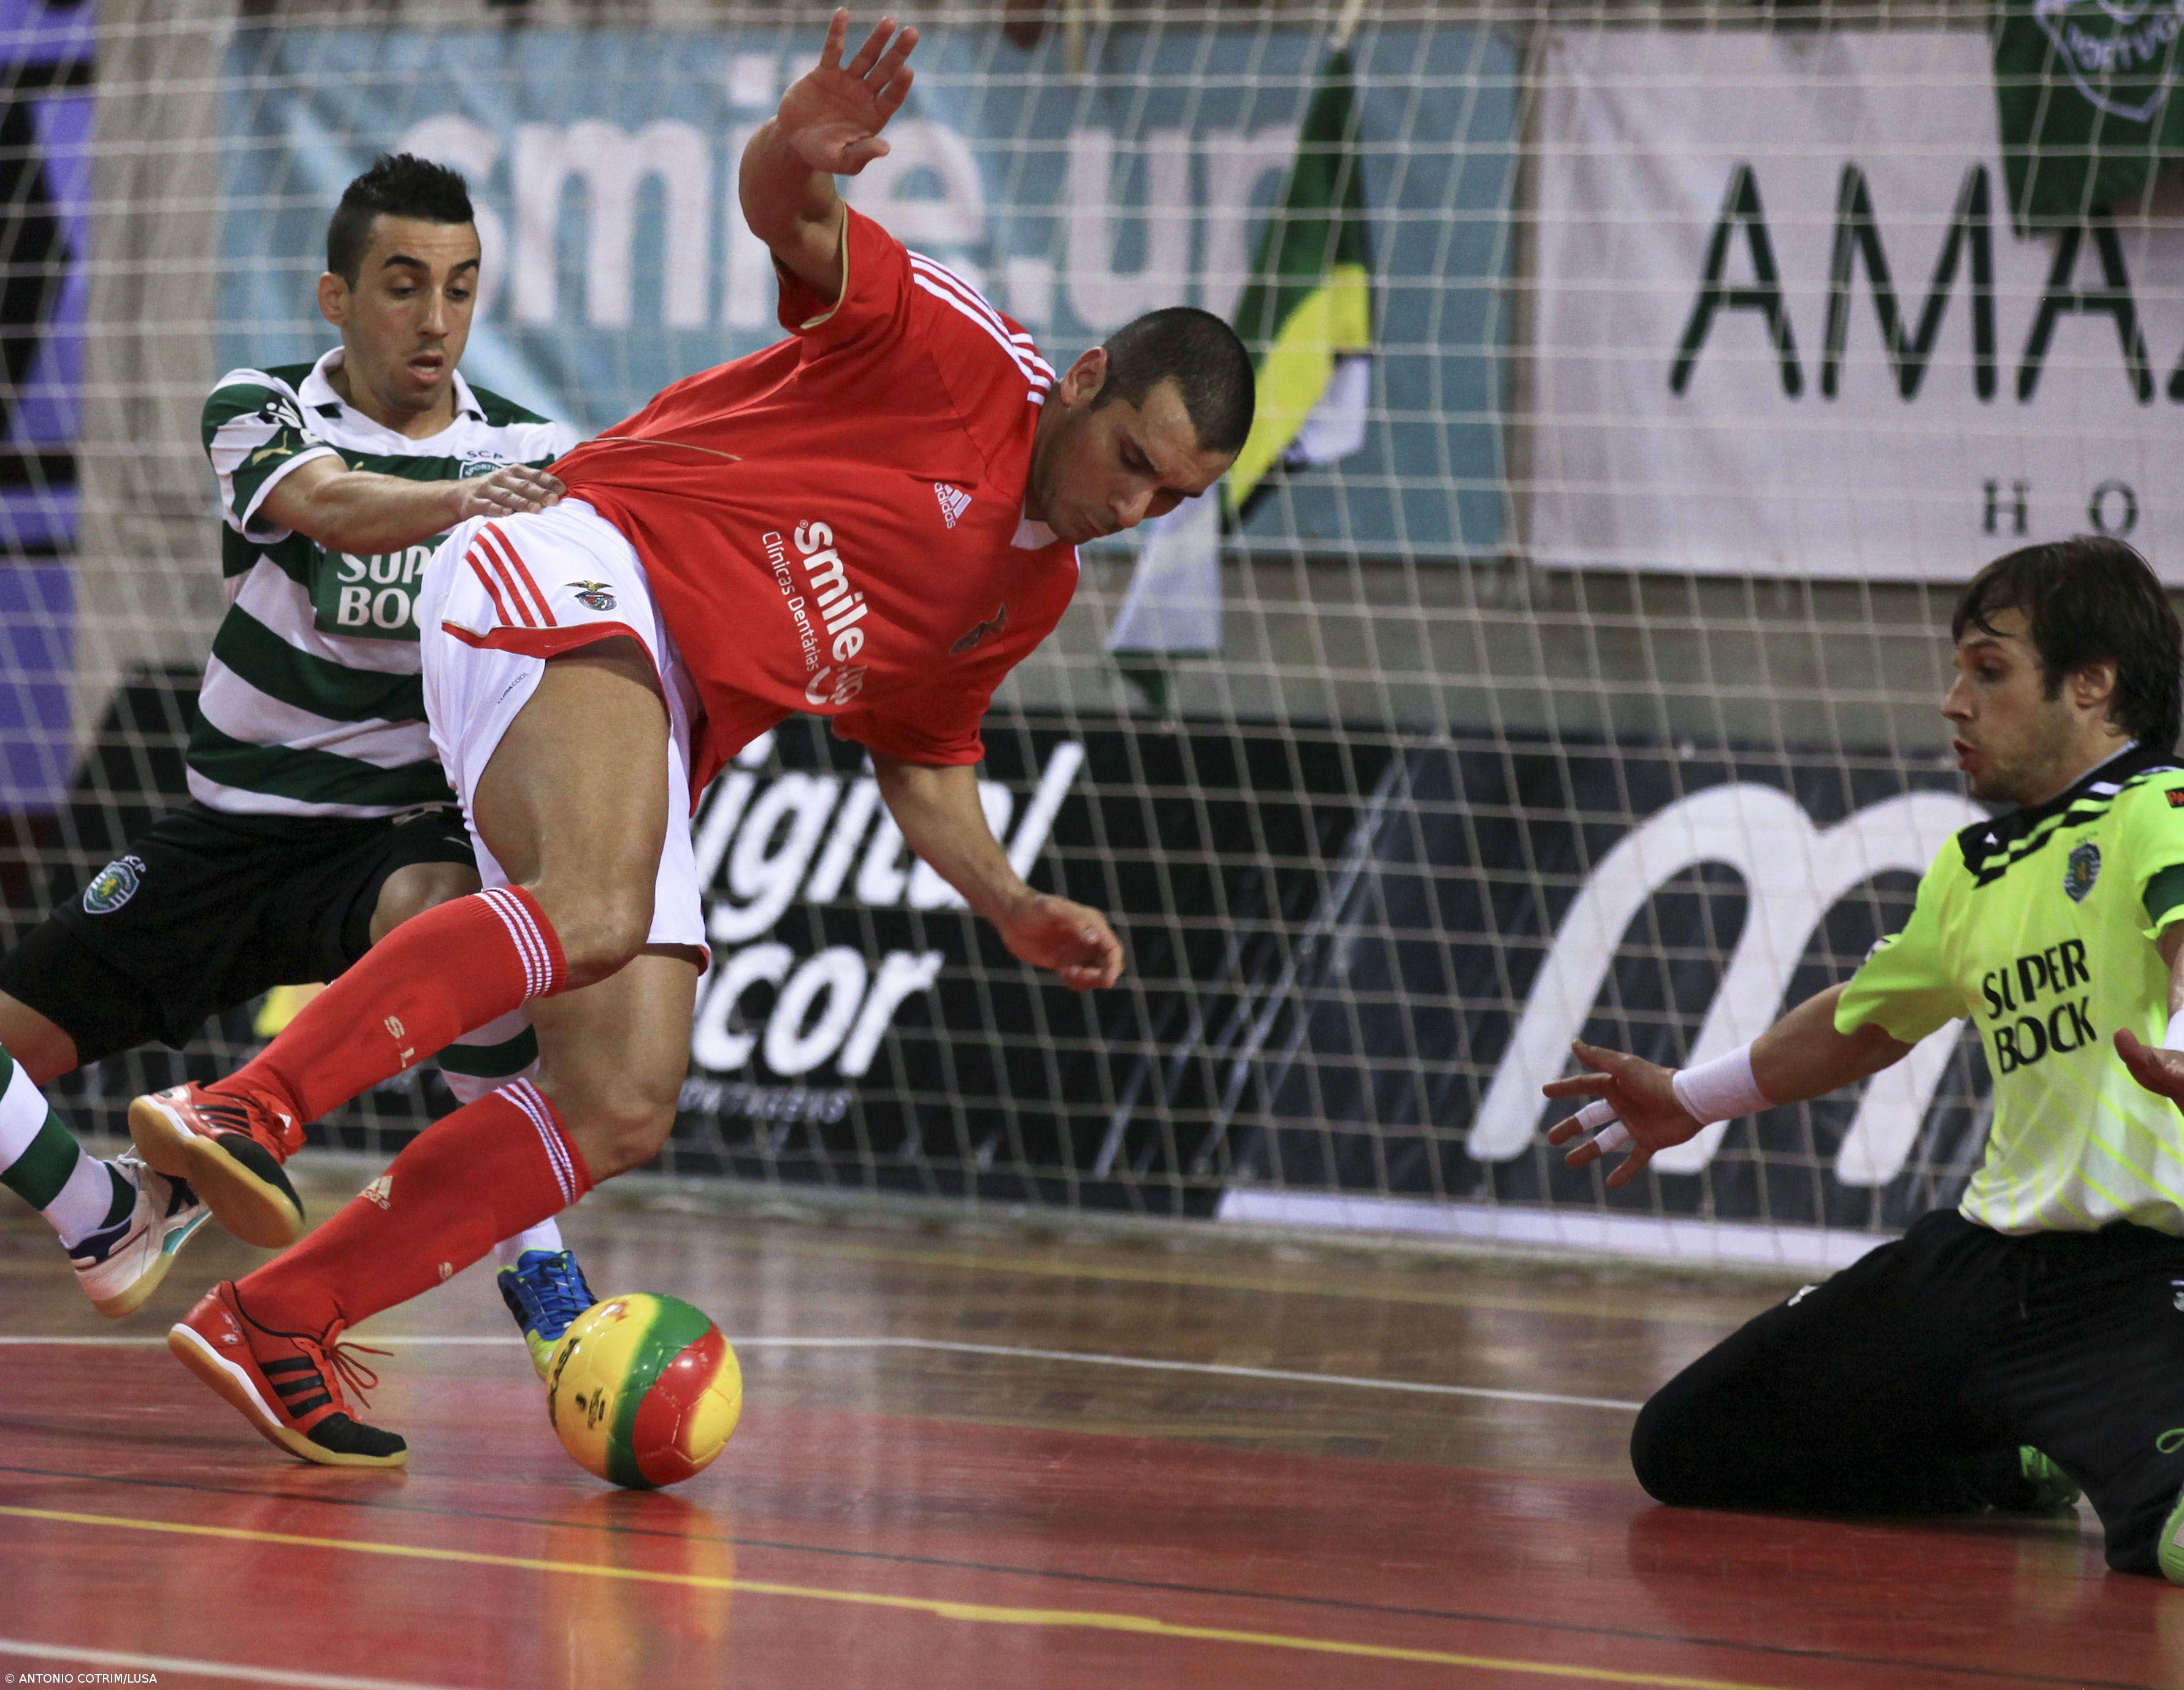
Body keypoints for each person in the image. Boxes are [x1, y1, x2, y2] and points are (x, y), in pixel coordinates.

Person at [131, 10, 1255, 1469]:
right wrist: (802, 144)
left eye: (1171, 499)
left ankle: (275, 1316)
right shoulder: (968, 358)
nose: (1133, 508)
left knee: (622, 1096)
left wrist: (1010, 900)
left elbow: (921, 758)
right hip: (581, 551)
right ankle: (242, 1105)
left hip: (659, 703)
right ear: (1090, 377)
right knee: (591, 908)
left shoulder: (1026, 589)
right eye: (1132, 463)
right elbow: (793, 215)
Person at [1544, 537, 2184, 1589]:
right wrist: (1691, 1099)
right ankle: (2015, 1459)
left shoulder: (2176, 805)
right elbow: (1868, 1022)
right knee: (1685, 1445)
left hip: (2158, 1273)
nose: (1953, 701)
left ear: (2092, 683)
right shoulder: (1975, 868)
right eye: (1959, 670)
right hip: (1977, 1269)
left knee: (2169, 1536)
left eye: (1989, 669)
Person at [0, 155, 599, 1367]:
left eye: (462, 288)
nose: (435, 321)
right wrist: (472, 504)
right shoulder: (262, 404)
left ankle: (540, 1271)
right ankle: (101, 1212)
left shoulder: (540, 446)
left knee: (458, 913)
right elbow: (327, 505)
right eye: (403, 285)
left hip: (398, 830)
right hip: (229, 834)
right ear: (337, 297)